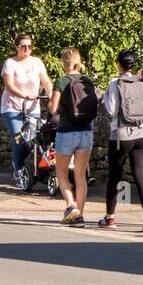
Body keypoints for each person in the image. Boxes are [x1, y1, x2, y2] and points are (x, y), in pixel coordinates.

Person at [99, 49, 143, 231]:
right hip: (141, 134)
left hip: (121, 135)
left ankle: (110, 218)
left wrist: (106, 97)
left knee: (115, 176)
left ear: (118, 64)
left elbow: (112, 110)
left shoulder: (115, 83)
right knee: (140, 175)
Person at [48, 47, 96, 226]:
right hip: (86, 131)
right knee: (80, 175)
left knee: (61, 173)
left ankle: (70, 207)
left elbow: (53, 109)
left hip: (67, 131)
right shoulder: (87, 81)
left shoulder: (61, 82)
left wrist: (51, 104)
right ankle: (80, 215)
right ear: (78, 61)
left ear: (63, 63)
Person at [0, 32, 53, 188]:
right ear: (17, 47)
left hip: (32, 108)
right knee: (19, 139)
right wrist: (25, 95)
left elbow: (46, 81)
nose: (27, 49)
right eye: (23, 46)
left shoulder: (37, 62)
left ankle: (31, 170)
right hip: (12, 108)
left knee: (32, 141)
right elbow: (9, 85)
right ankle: (18, 170)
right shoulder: (10, 63)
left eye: (30, 46)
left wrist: (50, 92)